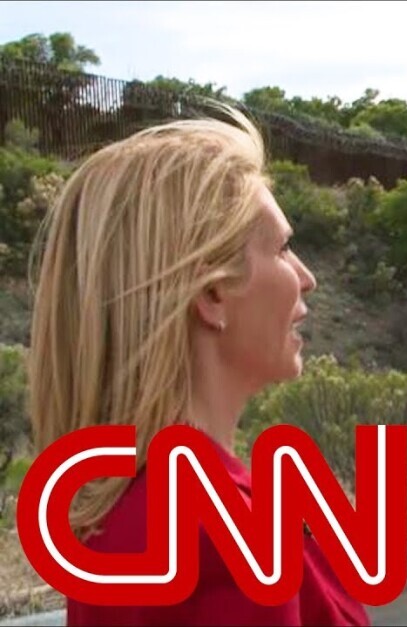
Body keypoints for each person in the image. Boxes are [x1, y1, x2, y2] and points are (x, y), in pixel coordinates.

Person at [27, 106, 370, 626]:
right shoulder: (230, 539)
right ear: (212, 294)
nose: (307, 278)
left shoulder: (120, 511)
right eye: (282, 249)